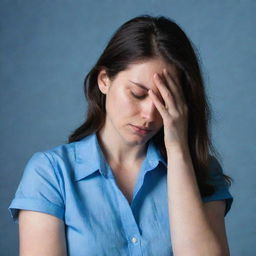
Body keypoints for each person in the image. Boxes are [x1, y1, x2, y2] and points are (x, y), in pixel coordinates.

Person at [8, 15, 234, 256]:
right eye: (138, 94)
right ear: (104, 80)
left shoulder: (202, 170)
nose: (149, 114)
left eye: (164, 101)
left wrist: (178, 151)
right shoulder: (51, 173)